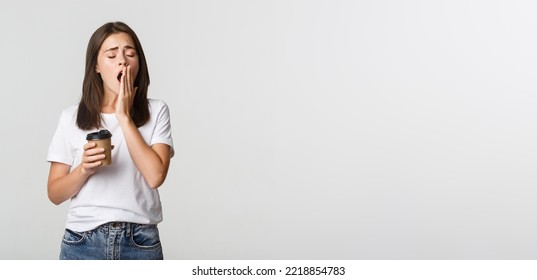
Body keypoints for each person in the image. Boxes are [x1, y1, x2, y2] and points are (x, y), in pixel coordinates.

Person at [46, 21, 174, 260]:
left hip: (140, 242)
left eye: (130, 54)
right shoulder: (71, 117)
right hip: (82, 241)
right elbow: (54, 193)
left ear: (138, 64)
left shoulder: (157, 111)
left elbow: (156, 176)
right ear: (96, 66)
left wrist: (124, 117)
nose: (122, 60)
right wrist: (84, 169)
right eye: (112, 55)